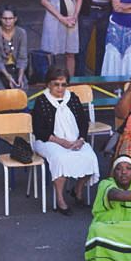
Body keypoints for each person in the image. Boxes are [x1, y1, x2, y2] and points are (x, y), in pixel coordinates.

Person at [28, 69, 101, 215]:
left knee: (90, 158)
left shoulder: (73, 98)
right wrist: (61, 142)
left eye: (63, 84)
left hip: (75, 140)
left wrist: (80, 140)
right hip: (48, 141)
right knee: (61, 159)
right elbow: (39, 130)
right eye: (56, 84)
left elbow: (83, 122)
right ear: (48, 84)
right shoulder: (42, 101)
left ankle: (77, 190)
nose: (60, 88)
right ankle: (60, 200)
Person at [0, 8, 31, 93]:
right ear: (0, 19)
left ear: (15, 19)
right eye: (5, 18)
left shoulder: (21, 33)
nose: (7, 22)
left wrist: (20, 77)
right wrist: (8, 77)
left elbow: (22, 57)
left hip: (15, 69)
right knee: (2, 93)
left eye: (10, 18)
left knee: (21, 90)